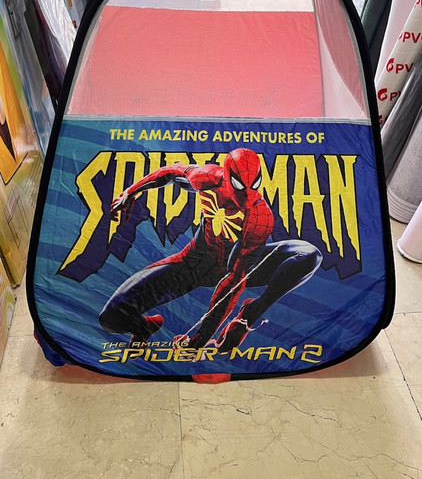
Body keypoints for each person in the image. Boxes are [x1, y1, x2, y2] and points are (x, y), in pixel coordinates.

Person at [99, 148, 322, 352]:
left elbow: (234, 280)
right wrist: (130, 192)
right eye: (239, 186)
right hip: (190, 265)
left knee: (308, 254)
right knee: (111, 318)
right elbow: (170, 171)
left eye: (253, 185)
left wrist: (201, 337)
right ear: (227, 177)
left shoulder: (259, 216)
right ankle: (145, 328)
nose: (246, 196)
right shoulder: (207, 178)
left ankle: (252, 312)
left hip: (234, 265)